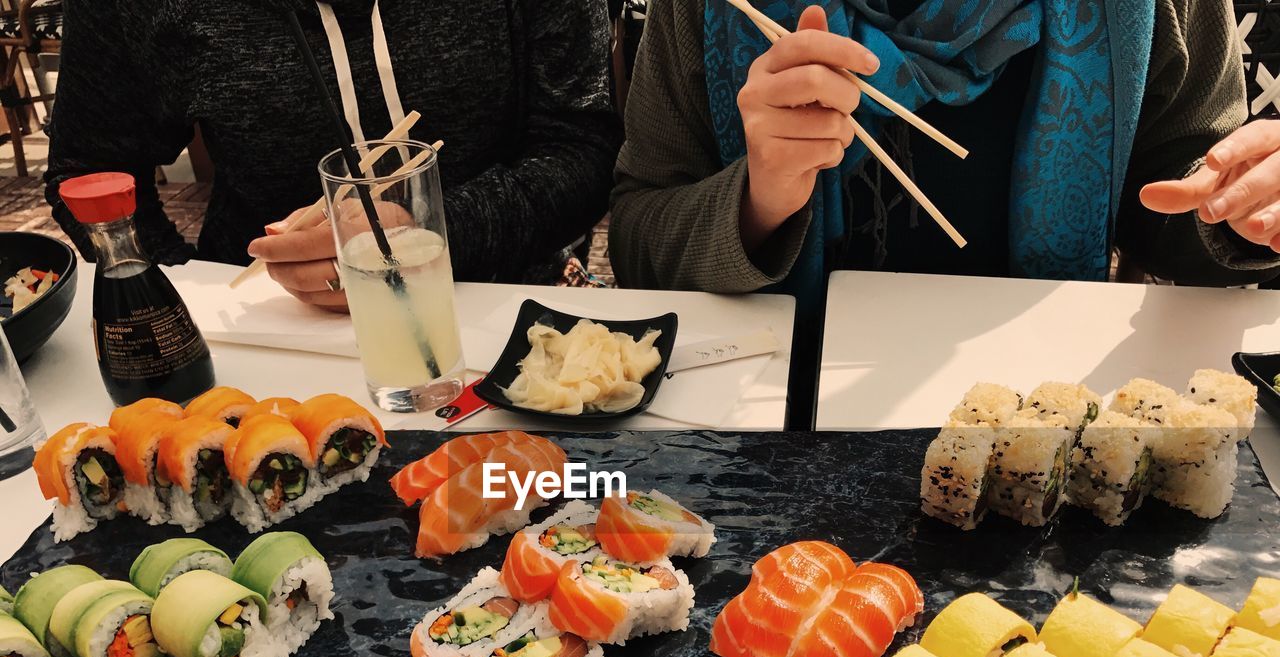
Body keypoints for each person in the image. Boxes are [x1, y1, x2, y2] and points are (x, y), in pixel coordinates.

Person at [610, 1, 1280, 304]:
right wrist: (759, 202)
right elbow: (640, 241)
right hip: (774, 423)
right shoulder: (717, 8)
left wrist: (1240, 206)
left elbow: (1182, 190)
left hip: (1045, 408)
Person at [45, 0, 622, 308]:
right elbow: (90, 169)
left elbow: (583, 143)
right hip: (267, 317)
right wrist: (177, 298)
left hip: (510, 298)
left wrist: (442, 233)